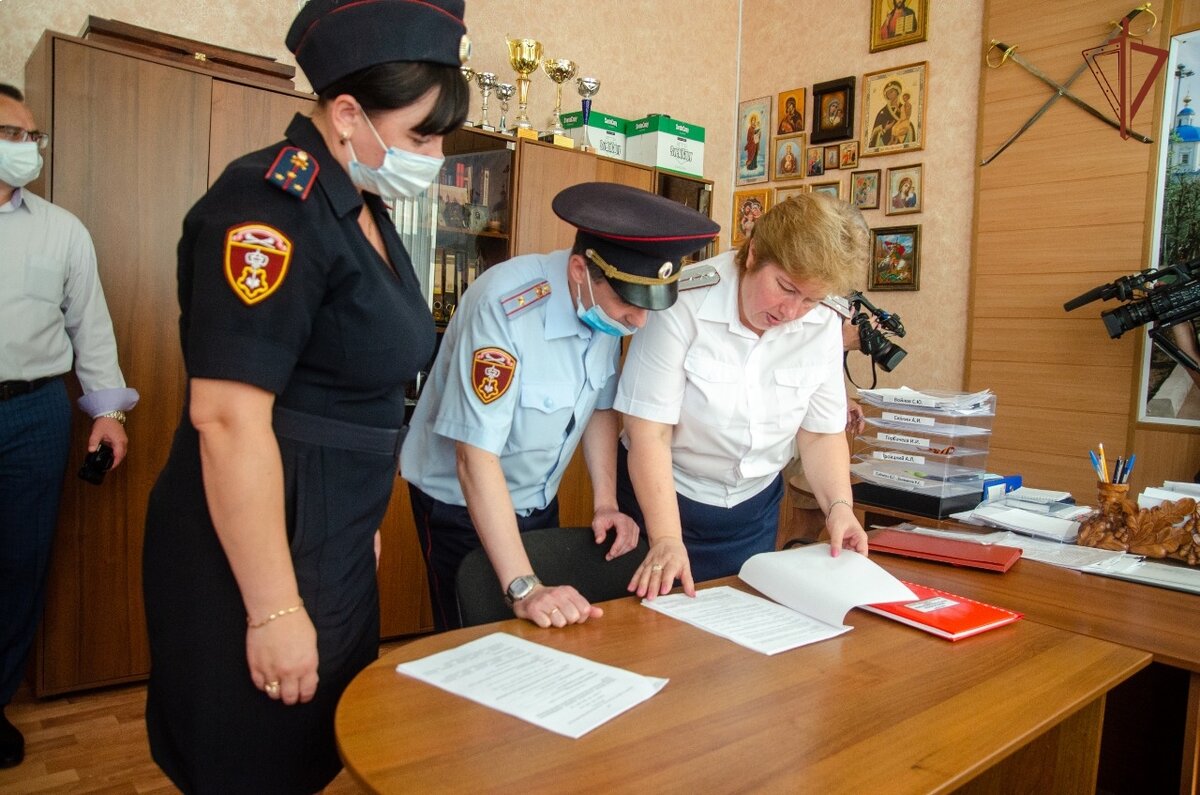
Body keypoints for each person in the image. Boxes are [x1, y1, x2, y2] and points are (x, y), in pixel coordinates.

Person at [140, 1, 470, 791]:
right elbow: (227, 418)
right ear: (348, 114)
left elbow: (346, 388)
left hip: (330, 536)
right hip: (260, 548)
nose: (435, 157)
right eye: (421, 136)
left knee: (313, 750)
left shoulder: (359, 204)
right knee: (250, 759)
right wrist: (274, 609)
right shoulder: (270, 204)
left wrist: (356, 522)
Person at [402, 182, 719, 631]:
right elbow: (474, 456)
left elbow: (600, 407)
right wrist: (524, 587)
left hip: (537, 498)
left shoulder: (600, 307)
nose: (639, 320)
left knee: (537, 638)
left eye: (649, 305)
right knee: (474, 641)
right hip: (461, 504)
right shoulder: (505, 307)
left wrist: (605, 502)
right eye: (628, 302)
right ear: (579, 270)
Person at [614, 193, 871, 598]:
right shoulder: (682, 302)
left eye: (810, 299)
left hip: (753, 513)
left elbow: (821, 433)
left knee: (742, 626)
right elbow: (649, 432)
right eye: (785, 288)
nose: (791, 312)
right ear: (753, 254)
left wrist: (840, 507)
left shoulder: (823, 319)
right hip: (662, 503)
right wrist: (666, 538)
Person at [0, 83, 137, 770]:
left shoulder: (63, 230)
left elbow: (92, 328)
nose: (28, 147)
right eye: (12, 134)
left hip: (34, 412)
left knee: (19, 563)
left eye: (33, 136)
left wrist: (108, 413)